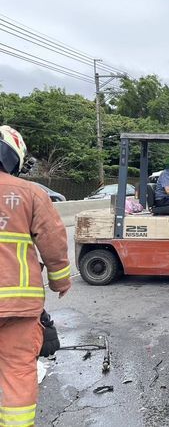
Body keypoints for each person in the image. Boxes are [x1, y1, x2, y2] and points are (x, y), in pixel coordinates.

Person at [0, 125, 71, 426]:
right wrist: (60, 280)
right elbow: (53, 242)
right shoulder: (28, 193)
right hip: (17, 306)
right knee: (17, 373)